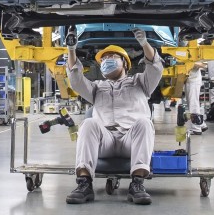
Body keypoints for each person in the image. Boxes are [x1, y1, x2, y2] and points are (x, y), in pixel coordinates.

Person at [65, 28, 163, 206]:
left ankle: (137, 184)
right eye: (103, 59)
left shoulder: (140, 82)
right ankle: (84, 185)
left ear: (125, 64)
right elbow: (76, 79)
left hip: (130, 141)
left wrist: (144, 44)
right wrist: (71, 49)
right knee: (88, 123)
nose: (105, 61)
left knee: (144, 122)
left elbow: (155, 67)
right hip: (105, 141)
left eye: (111, 57)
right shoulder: (96, 87)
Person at [184, 60, 207, 134]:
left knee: (193, 104)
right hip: (189, 79)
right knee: (192, 103)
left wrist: (191, 64)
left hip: (193, 80)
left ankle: (196, 128)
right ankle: (202, 124)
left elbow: (204, 65)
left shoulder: (198, 50)